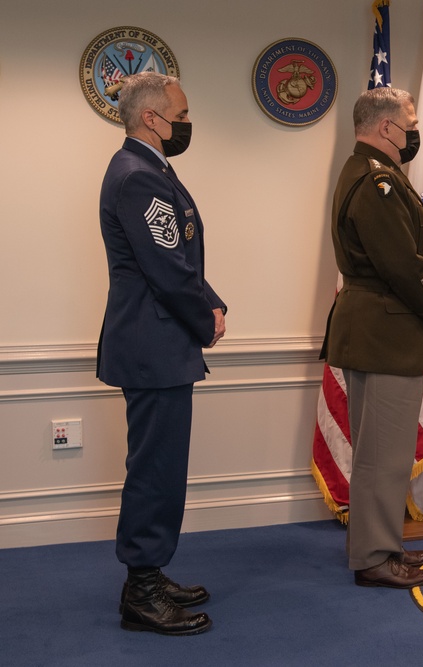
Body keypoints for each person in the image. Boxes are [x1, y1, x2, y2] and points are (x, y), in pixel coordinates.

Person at [97, 72, 227, 635]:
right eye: (181, 112)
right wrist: (205, 318)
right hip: (154, 343)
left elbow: (180, 260)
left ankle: (148, 573)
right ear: (152, 117)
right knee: (154, 472)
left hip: (158, 341)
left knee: (161, 468)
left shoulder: (148, 171)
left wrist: (212, 301)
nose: (186, 121)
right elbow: (168, 271)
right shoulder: (138, 177)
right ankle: (142, 593)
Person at [320, 87, 423, 588]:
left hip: (380, 329)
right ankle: (374, 557)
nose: (413, 131)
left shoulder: (377, 174)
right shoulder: (376, 182)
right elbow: (402, 263)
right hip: (384, 329)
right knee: (381, 454)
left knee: (385, 452)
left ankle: (382, 544)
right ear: (385, 128)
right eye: (409, 122)